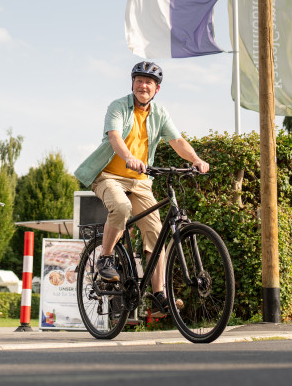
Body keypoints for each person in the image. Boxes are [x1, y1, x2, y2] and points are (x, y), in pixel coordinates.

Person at [73, 61, 209, 315]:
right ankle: (105, 257)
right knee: (122, 208)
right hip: (109, 175)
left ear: (157, 89)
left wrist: (196, 160)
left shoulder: (160, 114)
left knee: (156, 233)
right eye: (139, 80)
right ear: (132, 83)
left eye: (149, 82)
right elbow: (114, 137)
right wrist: (128, 158)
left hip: (141, 180)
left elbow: (177, 141)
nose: (143, 85)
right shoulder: (118, 107)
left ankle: (159, 295)